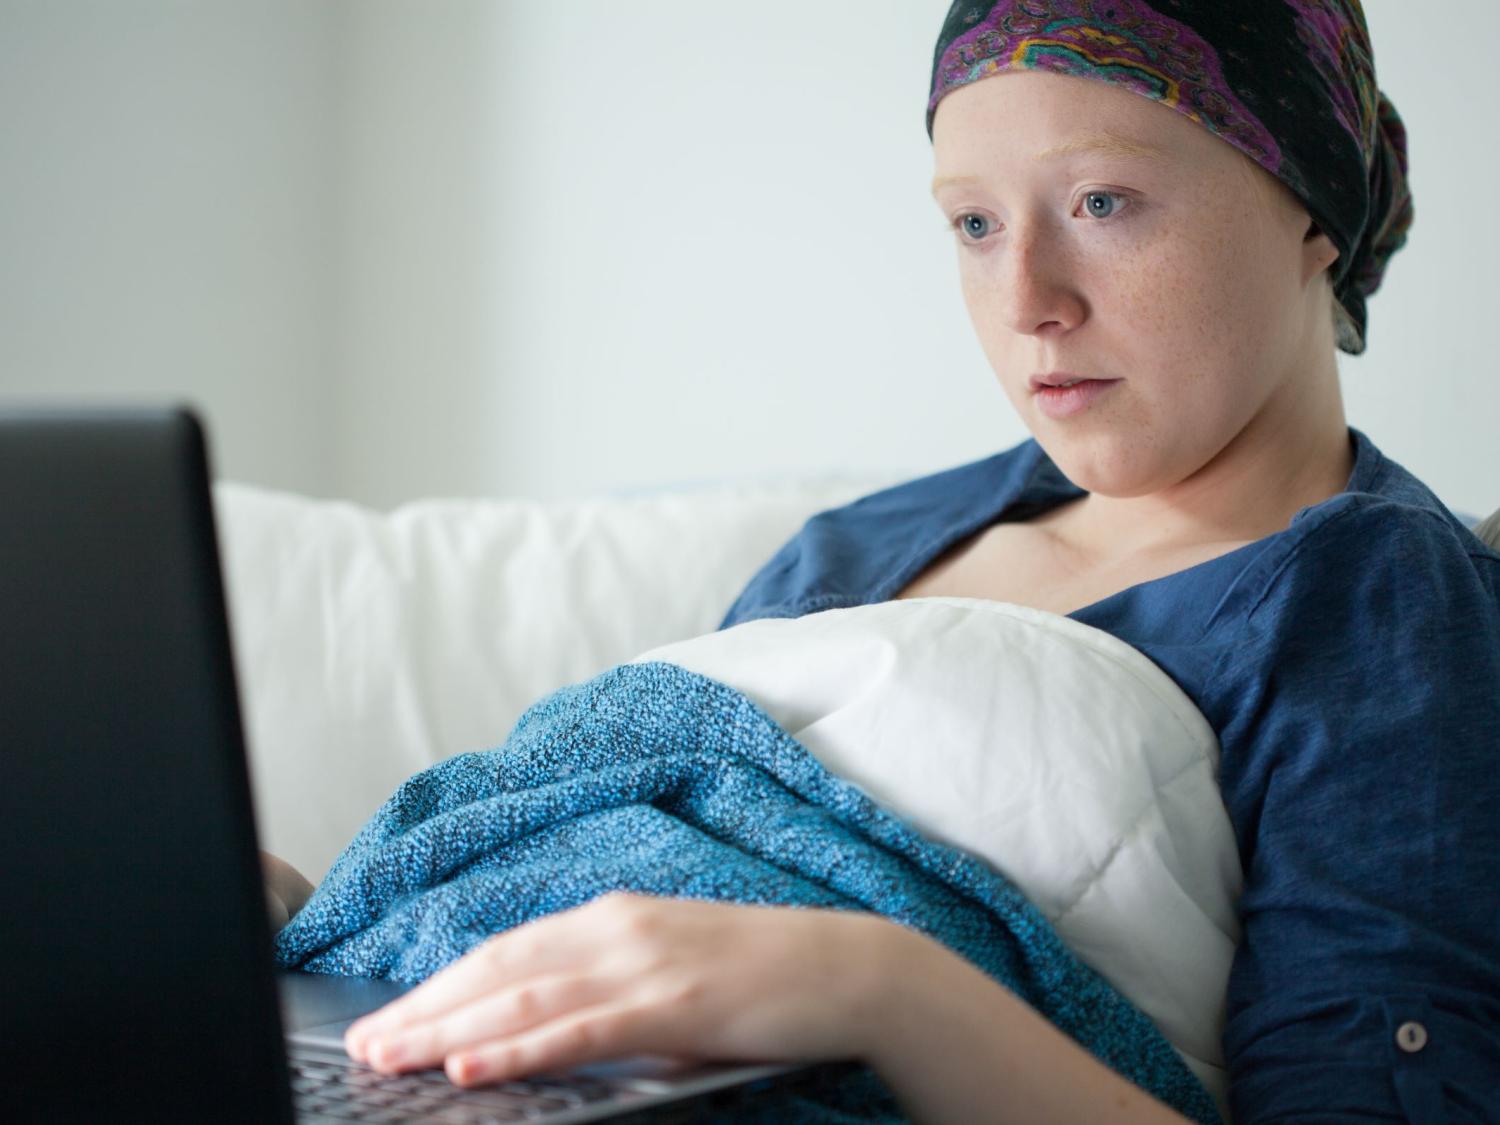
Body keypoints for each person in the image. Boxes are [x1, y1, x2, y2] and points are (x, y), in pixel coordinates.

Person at [323, 2, 1500, 1121]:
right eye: (975, 223)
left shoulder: (1381, 601)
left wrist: (880, 990)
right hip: (433, 1039)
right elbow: (611, 809)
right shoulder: (870, 540)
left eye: (1102, 200)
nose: (1027, 299)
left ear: (1315, 212)